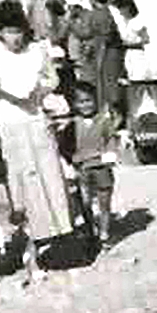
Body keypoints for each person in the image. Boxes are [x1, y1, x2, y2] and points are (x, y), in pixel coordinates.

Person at [0, 3, 72, 284]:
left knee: (46, 182)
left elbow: (53, 78)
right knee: (21, 187)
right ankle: (30, 249)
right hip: (11, 126)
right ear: (1, 34)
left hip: (35, 123)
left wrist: (40, 93)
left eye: (17, 31)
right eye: (8, 32)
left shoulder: (36, 52)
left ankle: (47, 238)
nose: (14, 37)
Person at [65, 81, 118, 248]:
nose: (86, 105)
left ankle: (105, 233)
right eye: (81, 102)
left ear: (96, 100)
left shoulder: (103, 120)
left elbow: (111, 139)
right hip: (82, 170)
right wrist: (72, 159)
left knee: (104, 202)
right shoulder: (73, 124)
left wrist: (109, 157)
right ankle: (90, 230)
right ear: (74, 104)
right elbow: (66, 146)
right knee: (85, 202)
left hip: (101, 167)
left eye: (89, 100)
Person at [110, 0, 150, 81]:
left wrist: (129, 44)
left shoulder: (137, 21)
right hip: (128, 55)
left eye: (121, 9)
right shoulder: (124, 22)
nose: (120, 12)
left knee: (138, 79)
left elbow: (146, 39)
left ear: (127, 8)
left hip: (138, 55)